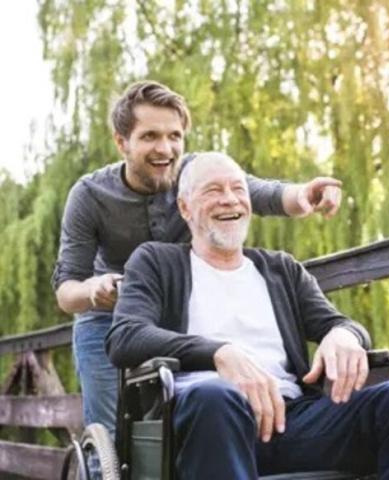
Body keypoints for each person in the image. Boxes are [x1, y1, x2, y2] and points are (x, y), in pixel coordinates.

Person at [105, 152, 389, 479]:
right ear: (185, 207)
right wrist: (219, 353)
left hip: (292, 420)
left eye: (238, 189)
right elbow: (125, 337)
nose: (230, 200)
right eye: (213, 190)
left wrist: (345, 334)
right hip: (208, 423)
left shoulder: (280, 268)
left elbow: (338, 323)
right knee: (215, 396)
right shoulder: (156, 261)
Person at [52, 81, 343, 435]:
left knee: (180, 425)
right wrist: (94, 289)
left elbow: (260, 193)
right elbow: (66, 292)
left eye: (175, 136)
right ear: (121, 142)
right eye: (150, 137)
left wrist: (306, 195)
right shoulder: (89, 195)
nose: (165, 148)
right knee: (112, 435)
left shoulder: (195, 175)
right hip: (107, 321)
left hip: (174, 315)